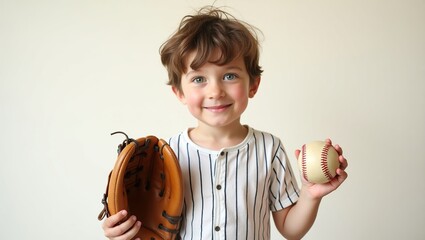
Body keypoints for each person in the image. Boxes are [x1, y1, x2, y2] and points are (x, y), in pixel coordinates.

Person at [102, 6, 348, 240]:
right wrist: (123, 229)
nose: (215, 91)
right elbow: (149, 227)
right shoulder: (167, 154)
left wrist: (309, 194)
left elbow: (290, 230)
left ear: (253, 84)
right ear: (179, 92)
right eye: (199, 79)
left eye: (229, 76)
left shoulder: (269, 149)